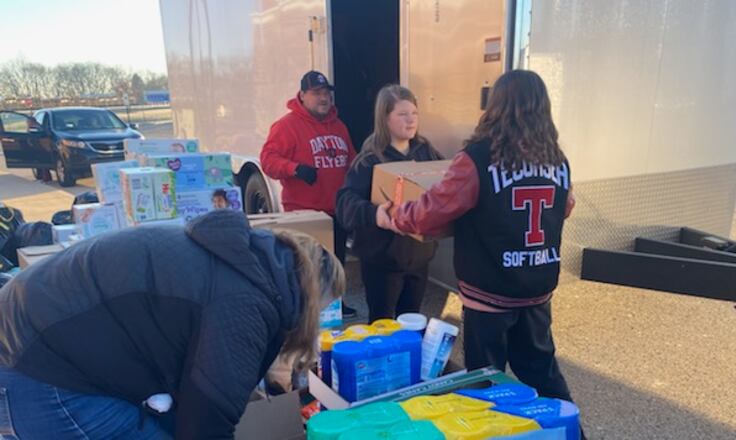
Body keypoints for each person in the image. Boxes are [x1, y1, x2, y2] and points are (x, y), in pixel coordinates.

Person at [0, 210, 344, 439]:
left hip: (26, 335)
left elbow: (190, 375)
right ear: (311, 298)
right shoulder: (245, 302)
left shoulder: (240, 261)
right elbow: (206, 421)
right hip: (40, 369)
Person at [380, 70, 579, 405]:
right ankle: (568, 430)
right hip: (537, 288)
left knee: (484, 382)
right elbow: (565, 207)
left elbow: (432, 211)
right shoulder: (557, 160)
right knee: (542, 373)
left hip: (489, 293)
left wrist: (393, 217)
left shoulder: (479, 158)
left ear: (496, 106)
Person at [335, 85, 442, 322]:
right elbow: (344, 203)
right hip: (382, 261)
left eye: (414, 113)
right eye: (402, 114)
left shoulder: (427, 154)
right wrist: (375, 215)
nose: (411, 120)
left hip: (419, 258)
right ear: (385, 118)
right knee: (382, 325)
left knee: (412, 323)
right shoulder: (370, 160)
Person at [260, 70, 357, 318]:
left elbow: (352, 160)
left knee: (334, 262)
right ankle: (306, 311)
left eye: (326, 93)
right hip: (305, 212)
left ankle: (334, 305)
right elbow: (268, 160)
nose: (323, 98)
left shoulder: (339, 126)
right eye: (316, 93)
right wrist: (294, 169)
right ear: (303, 95)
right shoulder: (286, 126)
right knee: (307, 265)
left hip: (336, 209)